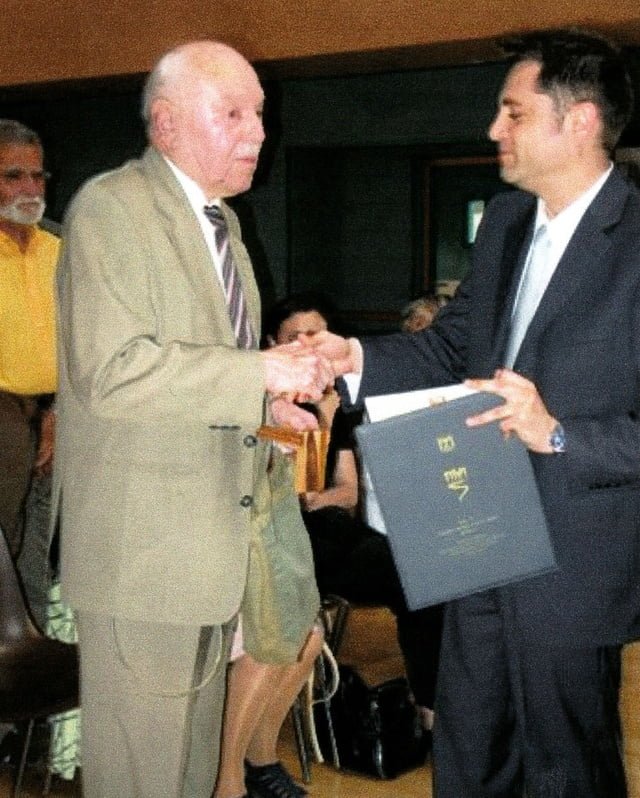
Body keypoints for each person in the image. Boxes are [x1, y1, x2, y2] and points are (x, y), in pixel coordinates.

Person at [309, 28, 639, 797]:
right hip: (478, 529)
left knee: (566, 761)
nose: (494, 130)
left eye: (513, 113)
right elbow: (455, 346)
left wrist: (557, 433)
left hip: (575, 556)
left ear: (580, 120)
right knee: (469, 740)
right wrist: (350, 357)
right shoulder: (504, 223)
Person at [54, 41, 331, 798]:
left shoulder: (224, 228)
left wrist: (267, 405)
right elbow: (110, 372)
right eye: (233, 113)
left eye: (261, 115)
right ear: (166, 124)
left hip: (207, 553)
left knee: (182, 777)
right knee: (141, 779)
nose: (257, 132)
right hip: (144, 560)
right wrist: (258, 371)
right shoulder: (112, 209)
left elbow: (203, 385)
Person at [265, 292, 443, 736]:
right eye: (294, 337)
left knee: (420, 574)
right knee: (404, 573)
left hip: (330, 528)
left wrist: (327, 419)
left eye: (315, 336)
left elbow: (345, 493)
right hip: (281, 536)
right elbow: (289, 492)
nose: (307, 346)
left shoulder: (334, 402)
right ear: (272, 342)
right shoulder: (264, 404)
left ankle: (431, 708)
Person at [0, 119, 58, 560]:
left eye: (38, 175)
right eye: (13, 176)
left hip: (61, 410)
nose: (30, 188)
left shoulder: (62, 246)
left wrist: (56, 411)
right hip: (4, 417)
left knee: (38, 551)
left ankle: (27, 629)